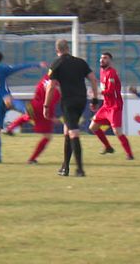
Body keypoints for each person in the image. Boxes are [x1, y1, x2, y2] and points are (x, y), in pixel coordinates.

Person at [0, 48, 45, 163]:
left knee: (8, 100)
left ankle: (26, 109)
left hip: (5, 99)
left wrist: (37, 65)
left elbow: (19, 67)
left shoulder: (2, 69)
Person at [44, 39, 99, 177]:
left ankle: (79, 169)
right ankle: (65, 166)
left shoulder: (57, 63)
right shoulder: (80, 62)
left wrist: (46, 105)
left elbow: (51, 86)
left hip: (68, 101)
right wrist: (95, 98)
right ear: (68, 48)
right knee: (67, 130)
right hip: (81, 101)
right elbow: (93, 79)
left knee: (73, 132)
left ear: (57, 50)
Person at [4, 73, 61, 163]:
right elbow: (50, 102)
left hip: (33, 105)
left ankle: (10, 128)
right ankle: (32, 159)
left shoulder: (45, 78)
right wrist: (51, 117)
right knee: (48, 136)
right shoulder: (56, 89)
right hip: (43, 109)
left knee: (27, 116)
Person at [89, 52, 134, 160]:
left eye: (105, 58)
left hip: (115, 106)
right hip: (106, 105)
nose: (102, 60)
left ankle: (129, 154)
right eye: (101, 58)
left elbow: (110, 91)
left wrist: (98, 93)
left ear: (110, 60)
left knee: (117, 131)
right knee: (93, 127)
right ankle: (108, 147)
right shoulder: (102, 71)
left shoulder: (112, 73)